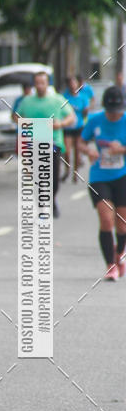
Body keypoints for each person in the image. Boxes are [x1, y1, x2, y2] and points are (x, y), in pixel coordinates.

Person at [79, 86, 126, 280]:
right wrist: (88, 151)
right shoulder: (95, 120)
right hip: (99, 176)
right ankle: (110, 265)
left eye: (117, 111)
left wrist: (122, 149)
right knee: (106, 218)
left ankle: (119, 254)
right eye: (110, 111)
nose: (114, 115)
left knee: (122, 225)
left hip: (122, 176)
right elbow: (81, 141)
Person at [13, 70, 75, 217]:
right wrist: (24, 123)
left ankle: (51, 200)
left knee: (52, 176)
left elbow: (71, 116)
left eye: (43, 82)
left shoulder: (57, 100)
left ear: (48, 84)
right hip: (34, 141)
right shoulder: (27, 101)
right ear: (34, 84)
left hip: (53, 140)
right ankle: (42, 207)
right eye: (38, 83)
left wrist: (61, 124)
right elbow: (16, 116)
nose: (40, 86)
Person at [61, 75, 90, 182]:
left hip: (79, 127)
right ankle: (67, 170)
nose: (73, 85)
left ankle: (75, 173)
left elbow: (86, 111)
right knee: (67, 151)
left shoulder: (83, 97)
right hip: (68, 128)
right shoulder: (64, 97)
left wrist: (85, 111)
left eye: (75, 83)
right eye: (71, 83)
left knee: (77, 152)